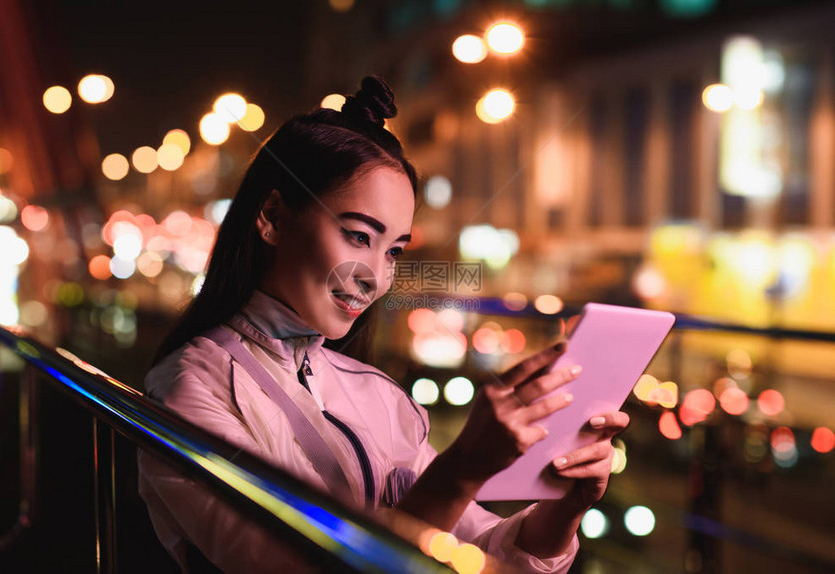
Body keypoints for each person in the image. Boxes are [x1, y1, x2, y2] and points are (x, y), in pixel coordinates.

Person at [137, 75, 630, 573]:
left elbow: (480, 545)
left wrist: (564, 505)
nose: (375, 277)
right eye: (356, 235)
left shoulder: (379, 395)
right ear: (272, 215)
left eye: (393, 250)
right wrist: (459, 472)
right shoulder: (190, 387)